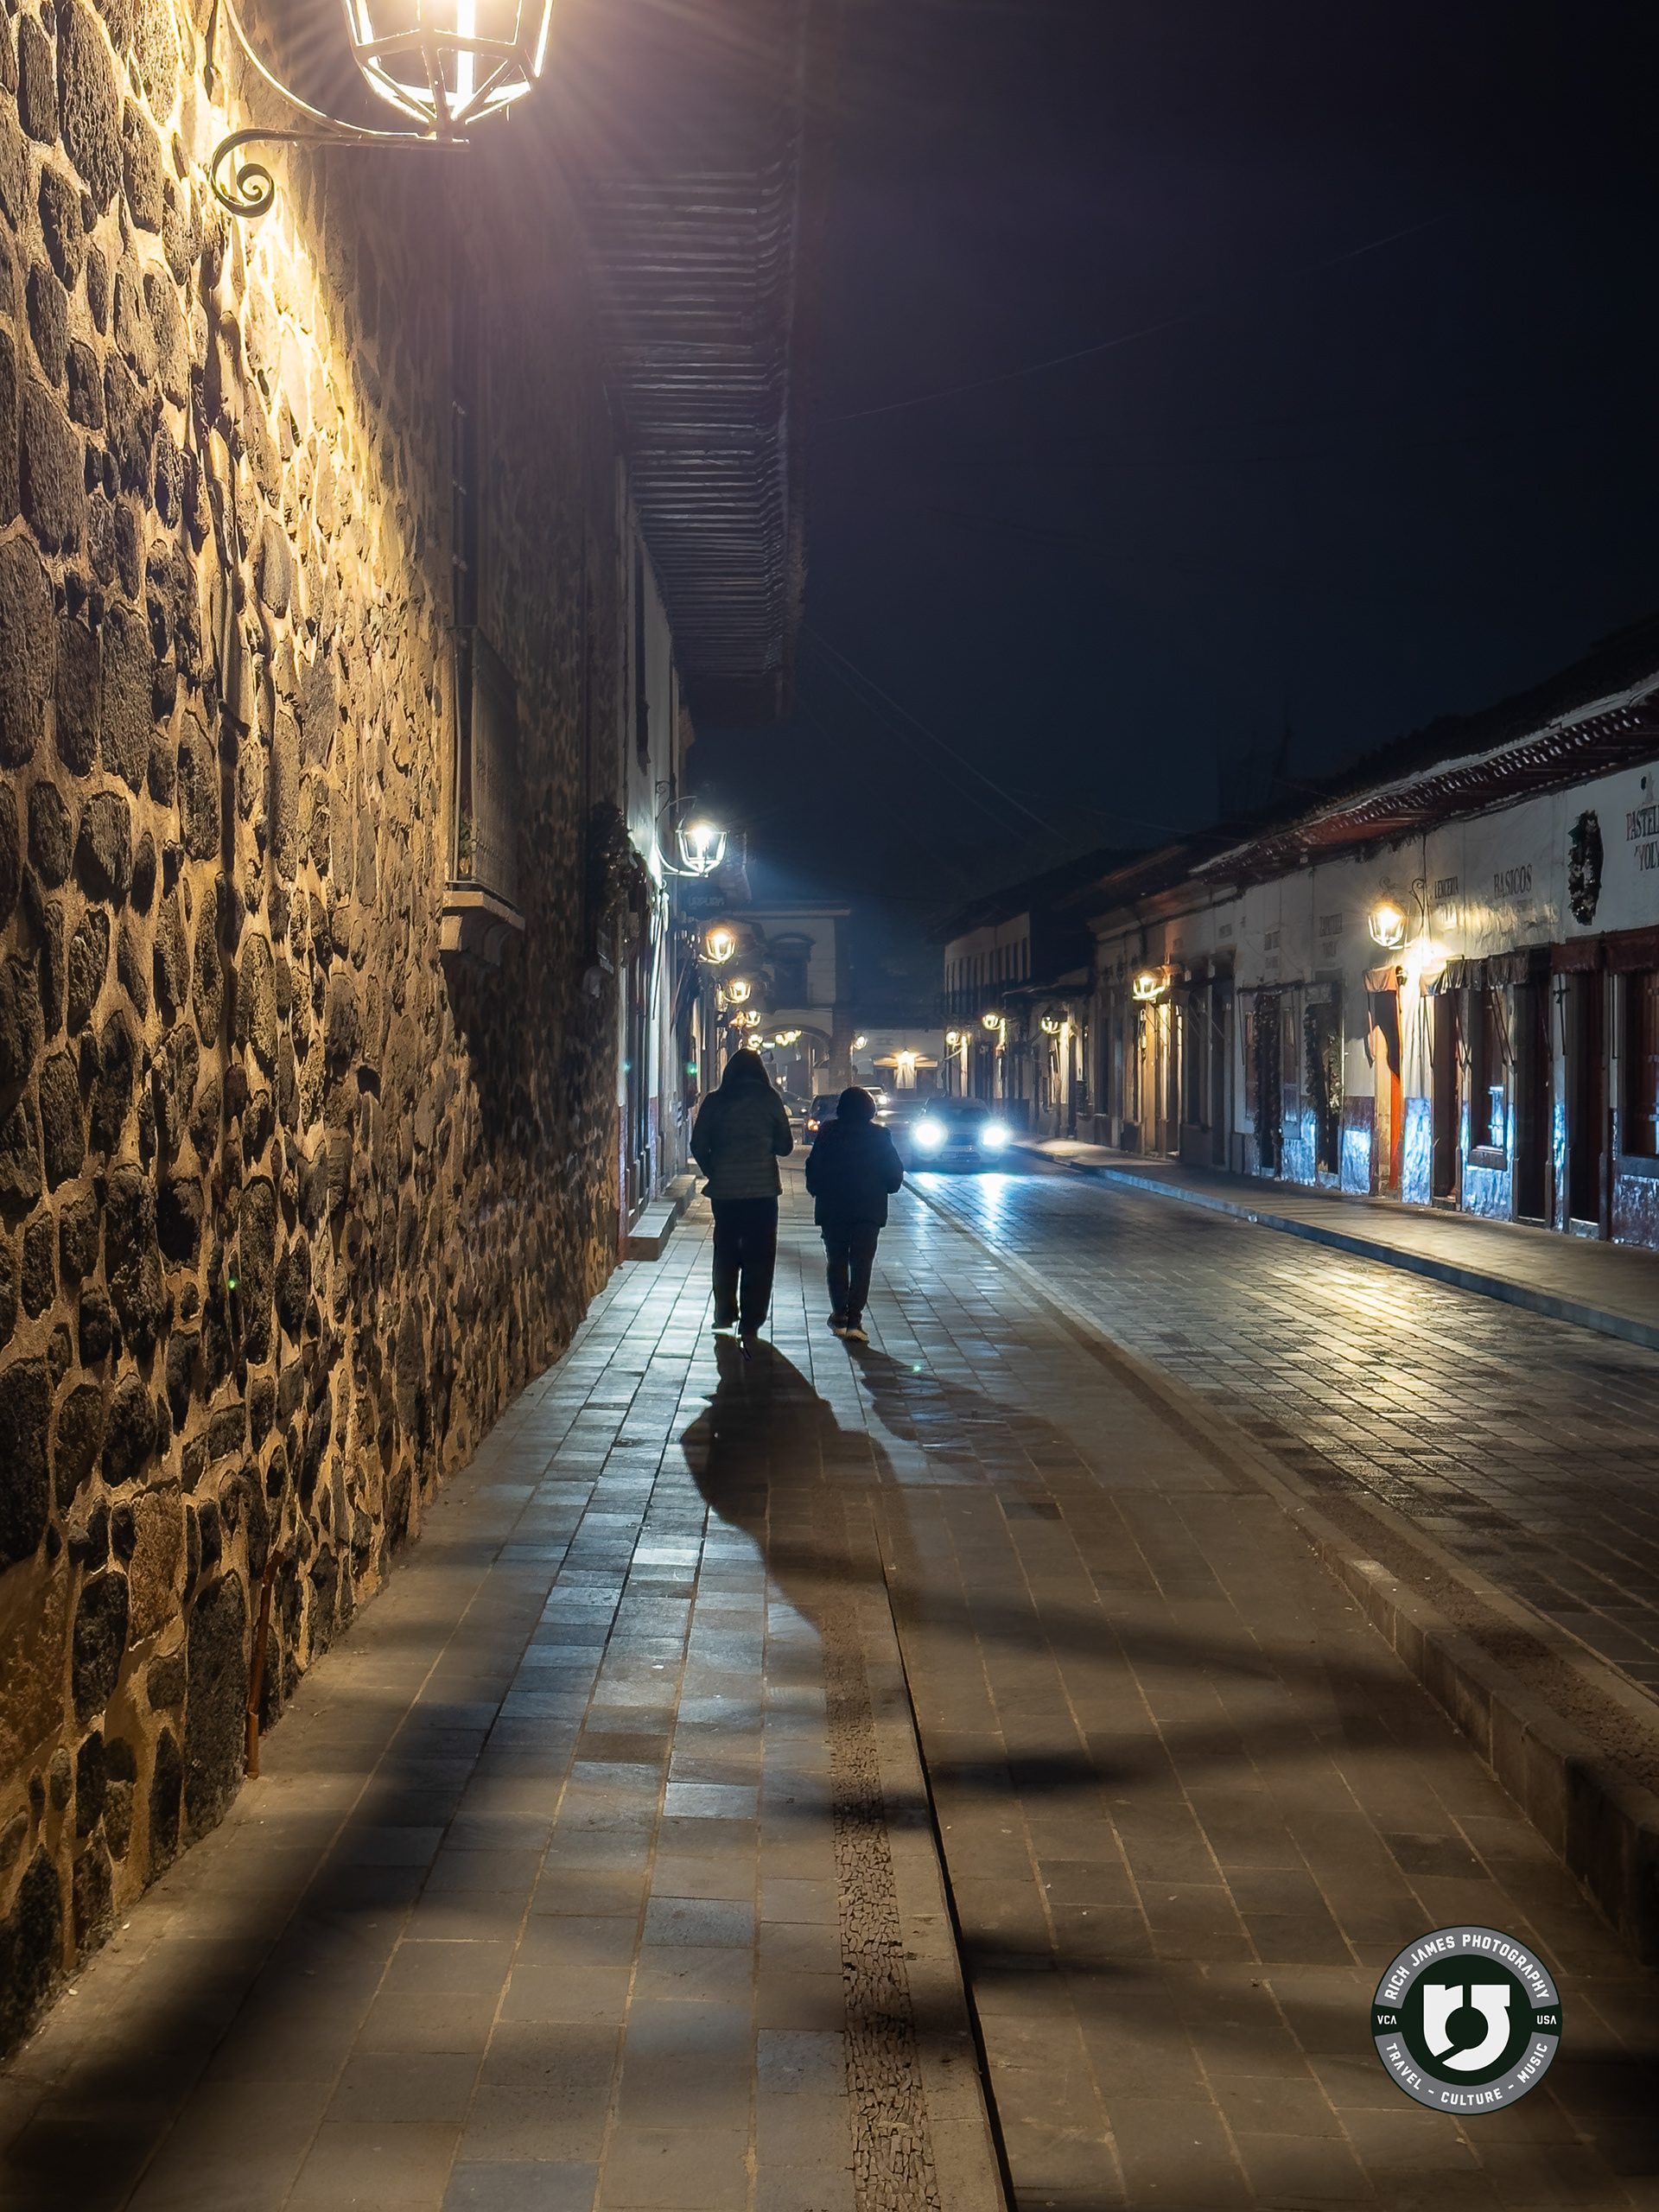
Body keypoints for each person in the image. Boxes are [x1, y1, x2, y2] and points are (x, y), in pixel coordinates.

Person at [690, 1049, 794, 1349]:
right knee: (760, 1255)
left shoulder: (715, 1101)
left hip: (725, 1192)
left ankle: (724, 1312)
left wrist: (714, 1170)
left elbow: (698, 1144)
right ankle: (752, 1320)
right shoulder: (770, 1099)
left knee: (725, 1251)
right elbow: (785, 1146)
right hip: (762, 1192)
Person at [804, 1085, 903, 1344]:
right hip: (868, 1211)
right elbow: (894, 1174)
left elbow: (814, 1167)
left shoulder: (828, 1132)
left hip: (833, 1208)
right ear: (870, 1109)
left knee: (836, 1261)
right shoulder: (880, 1136)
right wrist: (886, 1187)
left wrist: (816, 1189)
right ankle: (854, 1319)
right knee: (861, 1264)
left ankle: (839, 1313)